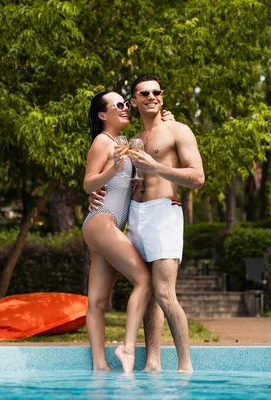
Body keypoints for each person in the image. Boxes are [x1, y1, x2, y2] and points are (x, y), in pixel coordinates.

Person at [91, 75, 205, 372]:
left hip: (163, 212)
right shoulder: (131, 139)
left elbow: (198, 178)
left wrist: (157, 168)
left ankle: (185, 366)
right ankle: (152, 362)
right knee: (148, 290)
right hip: (134, 216)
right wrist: (94, 199)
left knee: (165, 292)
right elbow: (110, 179)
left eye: (157, 91)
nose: (152, 96)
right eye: (145, 93)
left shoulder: (177, 130)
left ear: (162, 97)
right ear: (135, 100)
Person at [82, 90, 152, 373]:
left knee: (98, 301)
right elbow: (88, 184)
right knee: (145, 279)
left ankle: (100, 366)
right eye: (119, 105)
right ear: (103, 114)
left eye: (126, 103)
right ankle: (126, 348)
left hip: (104, 225)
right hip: (103, 221)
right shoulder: (102, 141)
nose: (125, 108)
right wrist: (112, 169)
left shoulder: (122, 141)